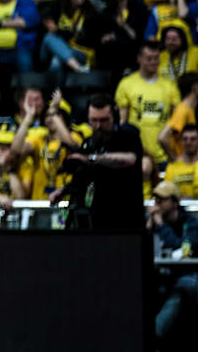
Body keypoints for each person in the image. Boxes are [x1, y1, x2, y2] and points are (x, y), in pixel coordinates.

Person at [47, 94, 142, 230]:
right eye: (94, 120)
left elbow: (130, 159)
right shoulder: (90, 143)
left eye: (104, 120)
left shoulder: (128, 135)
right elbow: (83, 176)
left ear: (114, 117)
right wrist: (63, 191)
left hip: (125, 218)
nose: (98, 126)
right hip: (95, 220)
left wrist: (91, 159)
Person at [116, 42, 181, 168]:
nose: (153, 62)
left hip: (164, 155)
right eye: (149, 58)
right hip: (138, 155)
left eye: (156, 58)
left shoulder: (170, 86)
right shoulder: (126, 84)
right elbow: (123, 122)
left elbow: (176, 121)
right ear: (139, 59)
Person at [149, 180, 198, 341]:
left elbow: (181, 250)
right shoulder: (152, 221)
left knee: (184, 287)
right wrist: (149, 227)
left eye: (161, 200)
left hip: (187, 275)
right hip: (160, 274)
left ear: (175, 202)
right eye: (155, 199)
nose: (157, 204)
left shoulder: (191, 223)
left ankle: (153, 336)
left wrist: (161, 225)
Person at [163, 125, 198, 197]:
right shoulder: (172, 166)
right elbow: (167, 192)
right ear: (181, 141)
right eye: (185, 139)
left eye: (193, 139)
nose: (188, 142)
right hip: (177, 207)